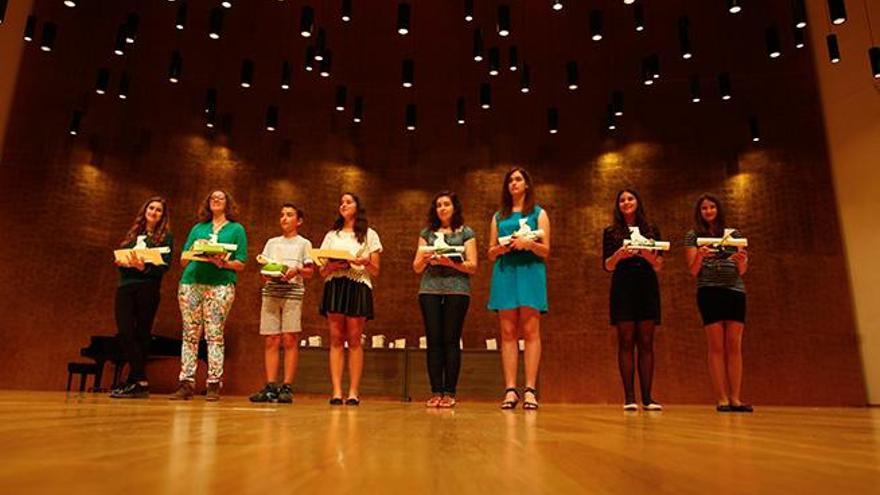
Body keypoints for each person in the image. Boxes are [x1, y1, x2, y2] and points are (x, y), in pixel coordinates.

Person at [170, 190, 247, 401]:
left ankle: (213, 383)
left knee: (214, 333)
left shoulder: (236, 229)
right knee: (189, 334)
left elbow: (240, 263)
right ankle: (186, 382)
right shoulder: (198, 228)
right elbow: (183, 260)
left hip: (220, 285)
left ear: (228, 204)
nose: (216, 200)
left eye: (221, 198)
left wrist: (223, 262)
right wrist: (197, 250)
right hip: (191, 283)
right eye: (212, 197)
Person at [487, 168, 550, 410]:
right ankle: (511, 389)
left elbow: (546, 250)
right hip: (505, 273)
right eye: (510, 180)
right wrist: (503, 248)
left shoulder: (539, 213)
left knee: (531, 331)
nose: (513, 183)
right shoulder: (498, 216)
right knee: (508, 332)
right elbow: (490, 252)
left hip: (530, 272)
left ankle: (531, 390)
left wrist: (528, 244)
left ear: (526, 185)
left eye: (518, 179)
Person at [684, 193, 752, 413]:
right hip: (709, 292)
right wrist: (701, 256)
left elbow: (742, 271)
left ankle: (735, 398)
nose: (709, 211)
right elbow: (693, 271)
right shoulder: (693, 236)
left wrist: (742, 261)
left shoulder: (733, 235)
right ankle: (722, 398)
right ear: (699, 212)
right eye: (704, 208)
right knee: (716, 346)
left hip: (735, 291)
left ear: (718, 209)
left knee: (734, 346)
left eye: (712, 207)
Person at [412, 191, 477, 408]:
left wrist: (450, 263)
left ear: (454, 207)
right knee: (433, 341)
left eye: (446, 204)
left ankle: (450, 392)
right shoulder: (427, 233)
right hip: (429, 290)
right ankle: (436, 391)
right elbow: (416, 267)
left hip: (457, 291)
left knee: (451, 340)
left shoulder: (466, 232)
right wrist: (427, 258)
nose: (442, 208)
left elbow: (473, 265)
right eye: (438, 205)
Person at [318, 193, 382, 406]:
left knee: (354, 340)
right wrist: (331, 266)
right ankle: (336, 391)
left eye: (348, 202)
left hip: (358, 284)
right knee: (336, 338)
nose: (343, 205)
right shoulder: (331, 235)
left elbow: (376, 270)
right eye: (341, 202)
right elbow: (322, 270)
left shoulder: (369, 234)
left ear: (358, 206)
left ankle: (354, 392)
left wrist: (364, 262)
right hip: (335, 284)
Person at [602, 189, 663, 411]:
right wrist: (621, 254)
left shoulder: (651, 229)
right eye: (622, 200)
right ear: (618, 205)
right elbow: (607, 265)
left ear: (638, 202)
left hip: (646, 286)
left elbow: (658, 264)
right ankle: (629, 397)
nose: (626, 202)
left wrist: (646, 252)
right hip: (623, 287)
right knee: (625, 341)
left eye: (630, 198)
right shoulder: (611, 232)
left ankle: (647, 398)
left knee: (646, 342)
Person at [249, 203, 314, 404]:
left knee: (290, 338)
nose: (284, 218)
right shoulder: (272, 242)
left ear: (299, 221)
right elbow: (263, 269)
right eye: (282, 215)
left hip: (292, 292)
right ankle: (270, 386)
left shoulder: (304, 244)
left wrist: (296, 271)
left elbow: (310, 271)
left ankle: (287, 386)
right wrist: (270, 274)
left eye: (289, 215)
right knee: (271, 339)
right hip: (271, 291)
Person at [110, 197, 173, 399]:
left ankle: (134, 381)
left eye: (158, 210)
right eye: (151, 208)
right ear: (145, 210)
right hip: (126, 286)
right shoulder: (133, 233)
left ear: (163, 215)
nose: (154, 212)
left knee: (141, 332)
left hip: (148, 287)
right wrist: (121, 260)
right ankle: (140, 379)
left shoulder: (165, 237)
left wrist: (143, 267)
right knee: (125, 330)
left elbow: (164, 267)